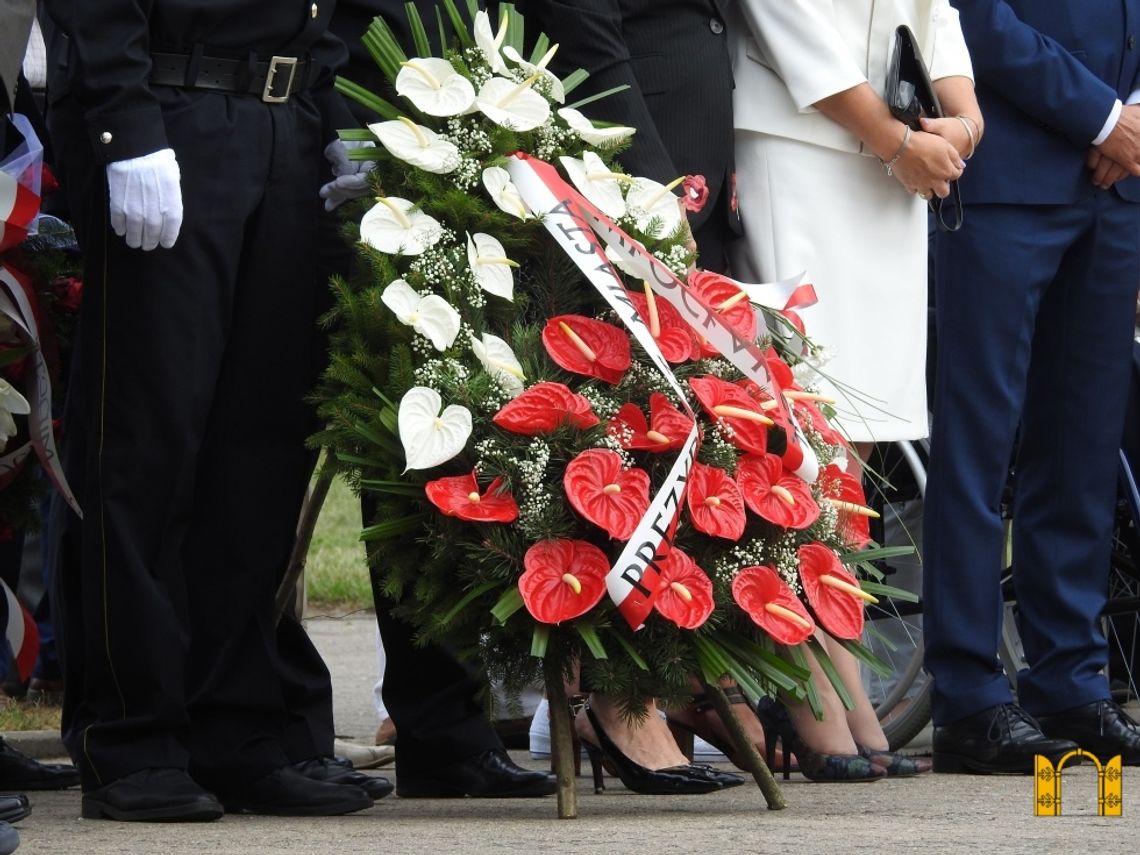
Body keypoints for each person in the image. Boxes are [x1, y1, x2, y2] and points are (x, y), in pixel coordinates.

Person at [42, 0, 388, 820]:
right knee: (146, 444)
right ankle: (132, 734)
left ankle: (237, 728)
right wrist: (126, 124)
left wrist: (338, 115)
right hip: (172, 112)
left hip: (288, 120)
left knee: (259, 451)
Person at [728, 0, 980, 777]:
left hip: (900, 159)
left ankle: (842, 671)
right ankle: (803, 674)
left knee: (858, 440)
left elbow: (937, 12)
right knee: (805, 425)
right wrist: (895, 139)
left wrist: (964, 122)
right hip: (799, 139)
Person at [324, 0, 558, 798]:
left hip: (472, 133)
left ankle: (446, 727)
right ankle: (261, 720)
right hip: (360, 141)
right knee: (386, 441)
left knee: (457, 434)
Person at [923, 0, 1140, 773]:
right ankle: (968, 694)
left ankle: (1071, 680)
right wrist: (1103, 117)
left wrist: (1131, 118)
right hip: (1006, 172)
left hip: (1115, 184)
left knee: (1085, 448)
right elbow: (975, 16)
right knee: (978, 445)